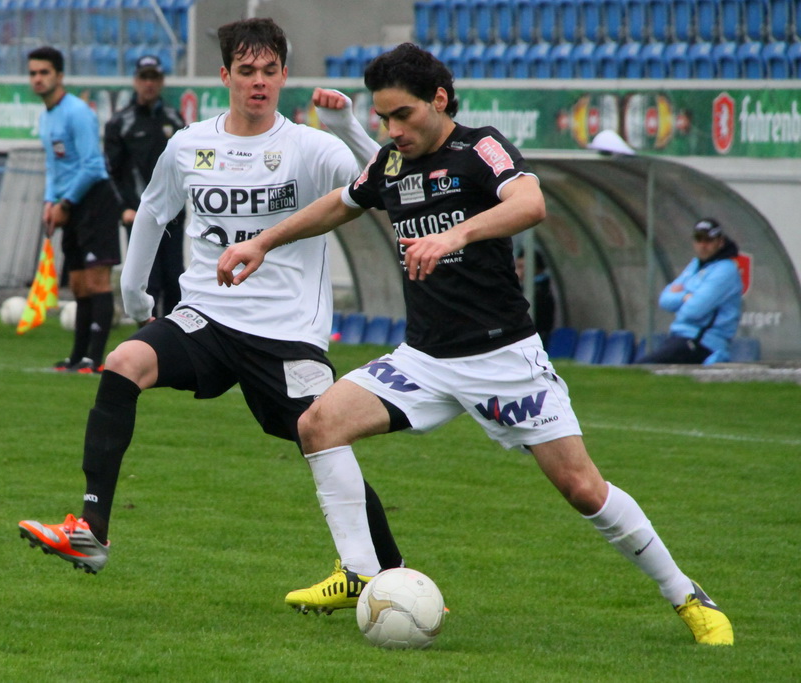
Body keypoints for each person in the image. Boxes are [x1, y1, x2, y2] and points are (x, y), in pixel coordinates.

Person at [217, 43, 733, 645]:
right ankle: (360, 571)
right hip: (424, 360)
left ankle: (686, 594)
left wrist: (453, 235)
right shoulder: (391, 164)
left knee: (583, 489)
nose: (393, 129)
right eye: (383, 118)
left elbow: (531, 203)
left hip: (503, 358)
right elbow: (340, 204)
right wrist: (262, 242)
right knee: (318, 425)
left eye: (403, 114)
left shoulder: (480, 149)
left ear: (439, 99)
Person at [18, 19, 403, 590]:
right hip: (206, 317)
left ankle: (388, 575)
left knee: (320, 436)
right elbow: (153, 211)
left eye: (269, 71)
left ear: (284, 75)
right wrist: (134, 290)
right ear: (225, 75)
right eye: (246, 71)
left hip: (286, 331)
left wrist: (348, 127)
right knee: (123, 363)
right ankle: (91, 531)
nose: (258, 81)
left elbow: (392, 184)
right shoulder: (189, 144)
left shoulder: (311, 147)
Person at [29, 46, 121, 374]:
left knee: (97, 282)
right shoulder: (46, 117)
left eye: (44, 72)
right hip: (69, 204)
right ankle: (76, 357)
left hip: (94, 201)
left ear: (59, 76)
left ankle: (94, 359)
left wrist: (65, 203)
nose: (38, 79)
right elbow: (54, 168)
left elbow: (93, 166)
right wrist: (49, 202)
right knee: (78, 284)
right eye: (33, 73)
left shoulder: (77, 112)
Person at [105, 54, 187, 318]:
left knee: (174, 279)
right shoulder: (120, 122)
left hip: (173, 216)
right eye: (144, 77)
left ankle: (174, 337)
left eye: (154, 78)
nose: (149, 84)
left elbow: (184, 167)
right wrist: (124, 209)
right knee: (148, 283)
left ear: (161, 81)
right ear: (135, 81)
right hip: (139, 214)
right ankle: (148, 338)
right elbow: (111, 172)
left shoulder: (175, 119)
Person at [636, 218, 743, 364]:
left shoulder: (725, 270)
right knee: (641, 368)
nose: (703, 245)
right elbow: (664, 300)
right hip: (681, 337)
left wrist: (680, 299)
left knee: (643, 367)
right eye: (699, 239)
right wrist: (685, 297)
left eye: (709, 240)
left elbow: (693, 311)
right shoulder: (695, 265)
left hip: (703, 343)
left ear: (720, 242)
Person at [515, 247, 555, 347]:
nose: (519, 271)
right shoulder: (531, 288)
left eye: (522, 267)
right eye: (517, 267)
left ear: (536, 268)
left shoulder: (540, 291)